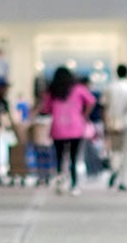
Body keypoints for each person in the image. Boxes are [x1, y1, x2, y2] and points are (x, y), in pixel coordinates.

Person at [39, 66, 95, 195]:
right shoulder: (79, 89)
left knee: (59, 157)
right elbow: (91, 101)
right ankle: (74, 185)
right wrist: (84, 115)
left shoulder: (52, 91)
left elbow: (46, 109)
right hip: (76, 128)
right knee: (74, 158)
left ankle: (60, 183)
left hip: (58, 129)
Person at [103, 63, 127, 190]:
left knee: (114, 150)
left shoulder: (110, 87)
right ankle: (123, 180)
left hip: (112, 122)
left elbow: (104, 107)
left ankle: (114, 169)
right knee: (126, 151)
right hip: (126, 123)